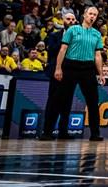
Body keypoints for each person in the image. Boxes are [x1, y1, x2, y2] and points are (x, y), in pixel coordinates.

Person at [48, 6, 105, 142]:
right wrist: (58, 68)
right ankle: (49, 132)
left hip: (88, 69)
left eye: (95, 15)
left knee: (93, 102)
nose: (92, 17)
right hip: (70, 67)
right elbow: (62, 50)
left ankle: (95, 134)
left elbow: (97, 55)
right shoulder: (72, 30)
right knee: (60, 100)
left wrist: (101, 73)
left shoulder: (97, 34)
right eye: (90, 13)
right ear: (84, 15)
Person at [39, 10, 75, 140]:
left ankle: (63, 131)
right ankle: (47, 131)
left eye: (72, 20)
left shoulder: (78, 38)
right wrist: (66, 41)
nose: (70, 21)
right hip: (56, 72)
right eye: (68, 19)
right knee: (53, 102)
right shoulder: (54, 35)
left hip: (71, 74)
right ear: (63, 21)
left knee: (67, 104)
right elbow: (52, 50)